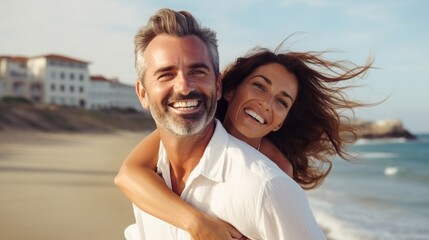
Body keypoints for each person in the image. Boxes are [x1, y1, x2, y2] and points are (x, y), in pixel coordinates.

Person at [117, 8, 334, 240]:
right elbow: (128, 174)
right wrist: (198, 224)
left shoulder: (271, 179)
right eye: (259, 86)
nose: (266, 104)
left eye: (281, 101)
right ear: (228, 90)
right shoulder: (178, 133)